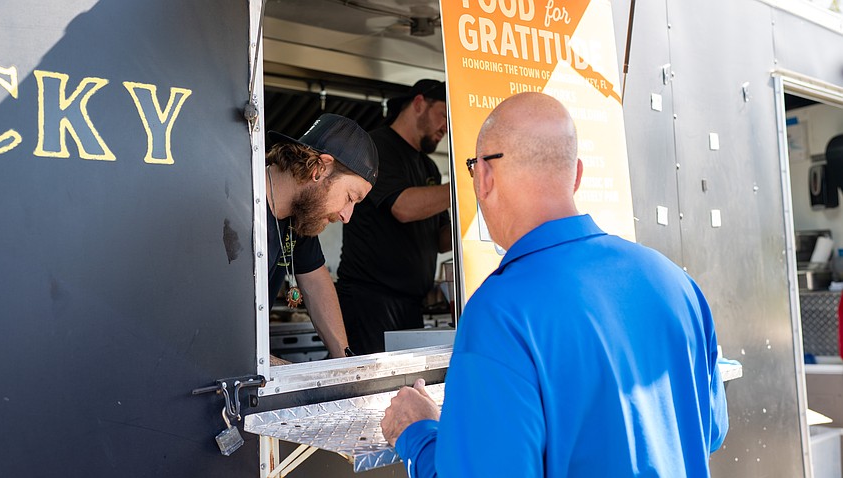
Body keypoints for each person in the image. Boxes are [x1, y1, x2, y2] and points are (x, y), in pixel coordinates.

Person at [380, 92, 729, 477]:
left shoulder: (500, 313)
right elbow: (709, 431)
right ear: (576, 176)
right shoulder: (677, 284)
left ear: (483, 177)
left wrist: (417, 433)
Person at [337, 79, 452, 354]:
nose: (446, 128)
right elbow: (402, 207)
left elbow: (442, 240)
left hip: (412, 304)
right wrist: (464, 189)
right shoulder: (377, 147)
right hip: (370, 301)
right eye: (443, 116)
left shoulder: (430, 168)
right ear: (419, 103)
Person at [266, 113, 378, 362]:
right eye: (350, 197)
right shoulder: (239, 206)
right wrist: (272, 367)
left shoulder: (300, 216)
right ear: (321, 168)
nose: (347, 216)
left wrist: (345, 360)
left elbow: (316, 282)